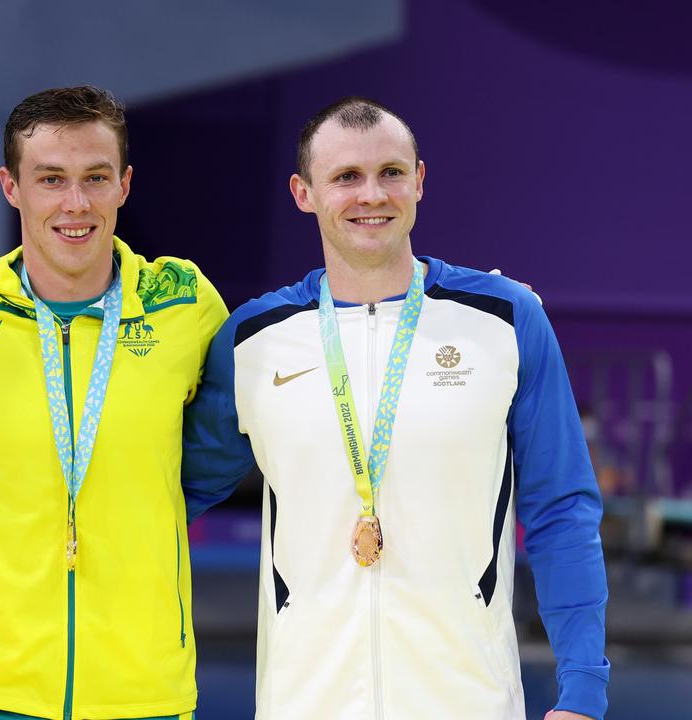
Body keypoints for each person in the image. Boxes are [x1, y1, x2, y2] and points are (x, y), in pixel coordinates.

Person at [181, 97, 609, 719]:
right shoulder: (254, 339)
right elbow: (169, 498)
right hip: (305, 702)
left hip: (469, 701)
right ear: (303, 193)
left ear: (420, 181)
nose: (372, 195)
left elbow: (562, 510)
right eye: (346, 177)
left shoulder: (506, 321)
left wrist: (584, 691)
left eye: (390, 173)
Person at [0, 86, 227, 720]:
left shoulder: (185, 305)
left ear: (125, 184)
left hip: (143, 689)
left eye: (96, 178)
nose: (76, 204)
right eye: (51, 179)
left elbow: (251, 421)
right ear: (11, 186)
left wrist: (161, 497)